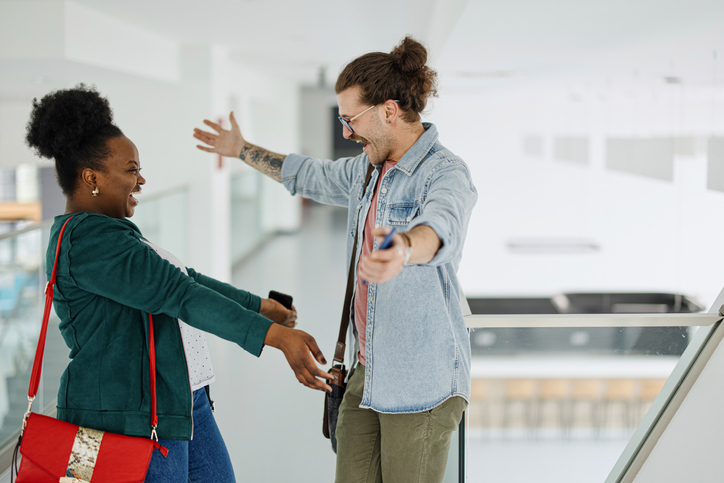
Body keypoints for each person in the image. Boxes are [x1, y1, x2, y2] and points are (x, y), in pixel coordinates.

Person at [194, 36, 478, 482]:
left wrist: (403, 248)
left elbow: (443, 228)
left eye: (350, 119)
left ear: (388, 110)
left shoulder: (444, 172)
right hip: (367, 369)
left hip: (423, 382)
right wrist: (241, 149)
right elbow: (308, 173)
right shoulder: (367, 168)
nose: (346, 132)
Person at [25, 84, 332, 483]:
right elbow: (179, 295)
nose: (141, 180)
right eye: (131, 170)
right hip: (129, 417)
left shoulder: (114, 231)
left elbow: (183, 278)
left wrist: (256, 305)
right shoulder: (88, 241)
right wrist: (273, 335)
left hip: (181, 400)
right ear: (91, 177)